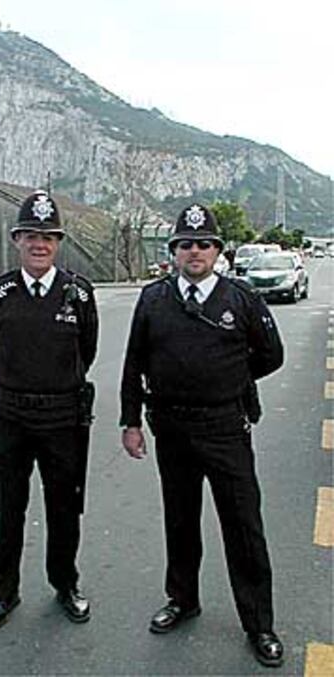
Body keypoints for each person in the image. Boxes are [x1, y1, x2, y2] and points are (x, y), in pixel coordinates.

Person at [120, 203, 285, 668]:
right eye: (186, 244)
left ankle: (259, 623)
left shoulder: (241, 299)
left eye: (205, 244)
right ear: (174, 251)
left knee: (243, 526)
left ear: (218, 251)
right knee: (180, 519)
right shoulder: (153, 298)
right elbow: (135, 362)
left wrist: (232, 379)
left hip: (225, 428)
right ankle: (183, 598)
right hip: (171, 427)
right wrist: (130, 420)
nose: (195, 251)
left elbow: (271, 355)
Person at [0, 189, 98, 630]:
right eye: (30, 235)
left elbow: (87, 352)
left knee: (64, 508)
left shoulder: (79, 294)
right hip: (12, 419)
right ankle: (4, 593)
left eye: (48, 236)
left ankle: (65, 584)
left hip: (62, 419)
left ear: (58, 242)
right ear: (16, 240)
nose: (39, 244)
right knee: (9, 508)